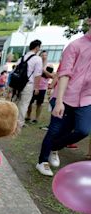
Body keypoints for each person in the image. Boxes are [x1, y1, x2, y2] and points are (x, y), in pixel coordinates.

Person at [36, 16, 91, 176]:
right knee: (54, 129)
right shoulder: (75, 46)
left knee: (82, 131)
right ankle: (42, 161)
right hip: (65, 95)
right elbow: (64, 74)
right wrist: (59, 101)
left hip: (87, 99)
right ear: (89, 20)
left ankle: (54, 147)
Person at [13, 39, 43, 130]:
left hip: (17, 83)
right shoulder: (37, 59)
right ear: (37, 47)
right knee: (24, 104)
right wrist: (37, 87)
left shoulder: (22, 57)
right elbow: (38, 74)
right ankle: (19, 123)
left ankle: (12, 120)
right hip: (28, 84)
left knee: (15, 102)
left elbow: (15, 68)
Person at [26, 50, 54, 124]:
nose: (44, 57)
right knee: (30, 103)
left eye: (45, 55)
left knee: (39, 104)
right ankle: (28, 116)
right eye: (42, 55)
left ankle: (36, 118)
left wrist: (43, 70)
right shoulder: (36, 63)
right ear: (39, 56)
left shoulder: (49, 66)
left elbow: (52, 76)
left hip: (42, 88)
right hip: (33, 86)